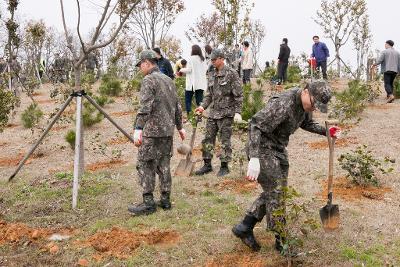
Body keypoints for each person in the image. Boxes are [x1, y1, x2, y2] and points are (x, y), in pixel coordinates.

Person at [232, 80, 340, 252]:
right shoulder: (283, 103)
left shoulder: (304, 106)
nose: (313, 108)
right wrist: (254, 158)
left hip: (278, 148)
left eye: (317, 107)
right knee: (276, 191)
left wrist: (326, 131)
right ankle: (281, 240)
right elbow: (255, 124)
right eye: (313, 104)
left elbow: (305, 122)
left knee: (277, 191)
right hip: (262, 147)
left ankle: (245, 226)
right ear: (306, 91)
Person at [128, 50, 186, 216]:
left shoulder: (149, 80)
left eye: (141, 65)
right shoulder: (169, 80)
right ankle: (165, 200)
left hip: (152, 131)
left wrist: (138, 128)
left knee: (145, 164)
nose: (140, 68)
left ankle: (148, 203)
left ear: (147, 62)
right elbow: (177, 106)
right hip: (167, 131)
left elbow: (145, 106)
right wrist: (180, 127)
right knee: (164, 165)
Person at [194, 49, 243, 177]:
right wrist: (202, 107)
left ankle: (224, 166)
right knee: (208, 139)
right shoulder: (211, 73)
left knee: (224, 140)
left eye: (214, 59)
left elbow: (238, 94)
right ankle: (207, 164)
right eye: (211, 60)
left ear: (222, 58)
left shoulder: (231, 73)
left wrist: (238, 112)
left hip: (226, 113)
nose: (212, 62)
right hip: (213, 113)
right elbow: (209, 94)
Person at [180, 45, 208, 117]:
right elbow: (206, 69)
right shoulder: (203, 59)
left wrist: (181, 70)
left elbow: (189, 70)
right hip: (200, 83)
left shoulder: (191, 58)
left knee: (188, 100)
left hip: (191, 83)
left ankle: (189, 115)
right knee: (199, 101)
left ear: (193, 50)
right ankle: (199, 115)